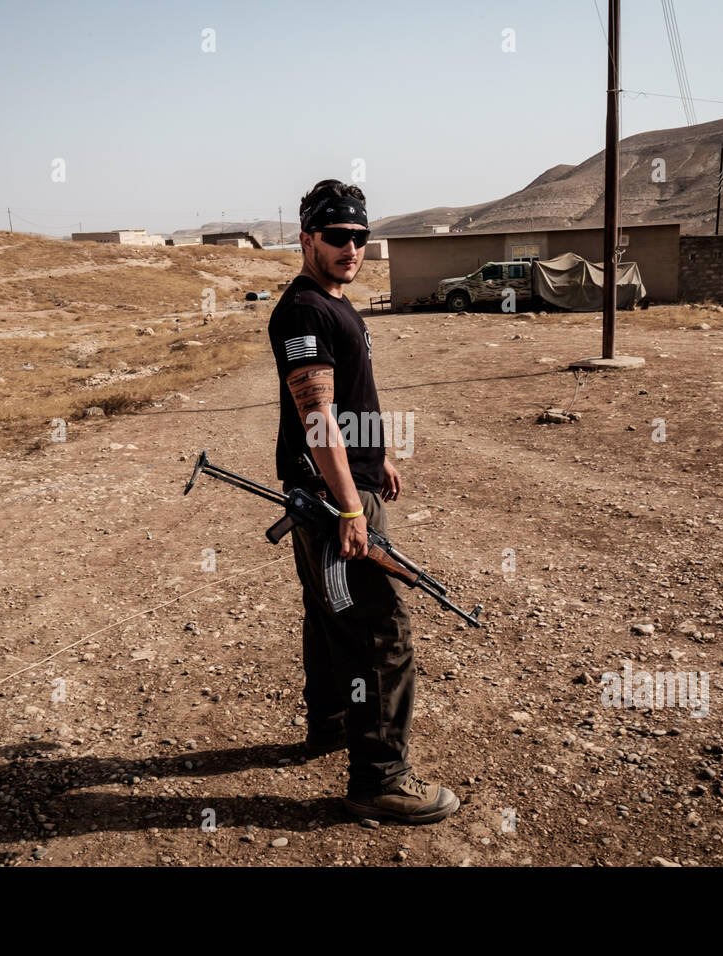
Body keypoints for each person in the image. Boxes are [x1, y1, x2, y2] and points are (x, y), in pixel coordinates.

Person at [265, 179, 459, 825]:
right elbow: (317, 413)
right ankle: (379, 778)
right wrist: (351, 505)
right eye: (337, 236)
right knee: (381, 632)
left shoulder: (333, 302)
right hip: (331, 501)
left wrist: (378, 458)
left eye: (359, 236)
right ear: (307, 239)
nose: (351, 247)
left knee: (327, 614)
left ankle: (329, 724)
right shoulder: (303, 312)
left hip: (340, 486)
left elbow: (348, 401)